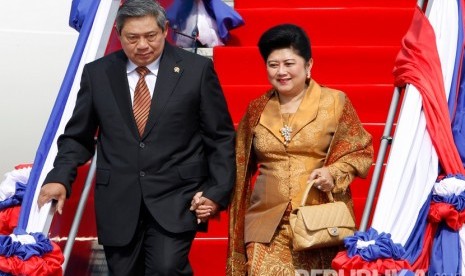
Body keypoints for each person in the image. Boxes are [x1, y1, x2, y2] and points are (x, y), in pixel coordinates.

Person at [37, 0, 236, 275]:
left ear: (165, 30)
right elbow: (77, 137)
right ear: (118, 35)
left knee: (166, 269)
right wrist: (60, 177)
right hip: (118, 200)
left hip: (176, 196)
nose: (142, 45)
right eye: (132, 38)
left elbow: (220, 137)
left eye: (150, 36)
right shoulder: (98, 74)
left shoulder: (195, 70)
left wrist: (216, 191)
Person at [226, 24, 374, 275]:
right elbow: (237, 164)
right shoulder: (256, 109)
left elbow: (359, 150)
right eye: (273, 65)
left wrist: (334, 173)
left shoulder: (335, 102)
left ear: (308, 65)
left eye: (289, 63)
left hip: (319, 224)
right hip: (266, 223)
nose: (281, 72)